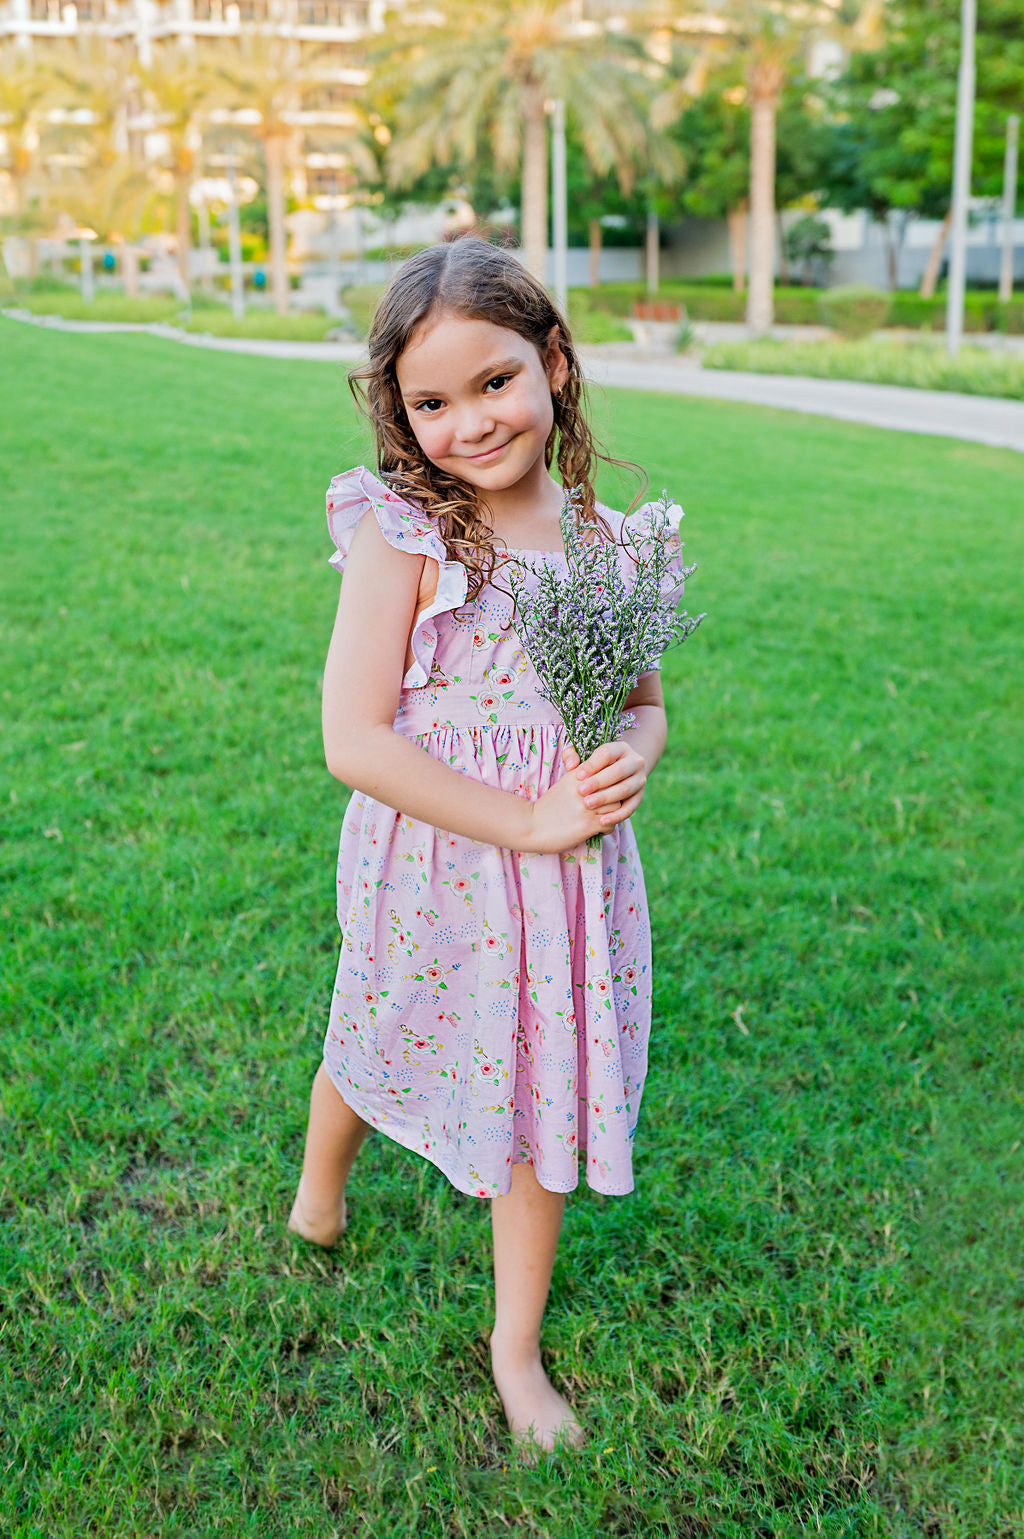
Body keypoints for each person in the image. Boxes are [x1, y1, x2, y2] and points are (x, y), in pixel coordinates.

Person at [288, 234, 691, 1460]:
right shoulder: (405, 537)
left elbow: (644, 701)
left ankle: (513, 1345)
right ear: (402, 414)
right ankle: (320, 1193)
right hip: (438, 857)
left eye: (495, 381)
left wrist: (636, 755)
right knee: (379, 1024)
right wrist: (520, 817)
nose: (469, 420)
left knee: (542, 1088)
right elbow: (353, 739)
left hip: (569, 880)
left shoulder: (613, 546)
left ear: (554, 364)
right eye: (433, 400)